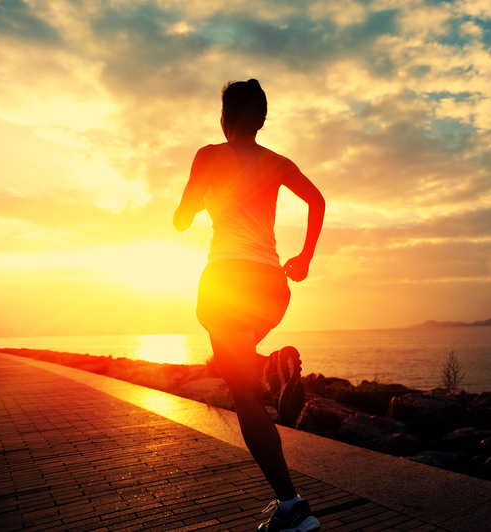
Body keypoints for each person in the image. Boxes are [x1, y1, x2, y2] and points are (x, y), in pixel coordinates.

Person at [173, 79, 325, 532]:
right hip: (271, 284)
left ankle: (292, 507)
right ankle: (267, 367)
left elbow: (180, 220)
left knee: (243, 397)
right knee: (237, 369)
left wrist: (201, 202)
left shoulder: (209, 155)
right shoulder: (278, 161)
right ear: (259, 120)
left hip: (226, 280)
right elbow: (317, 201)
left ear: (225, 119)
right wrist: (306, 256)